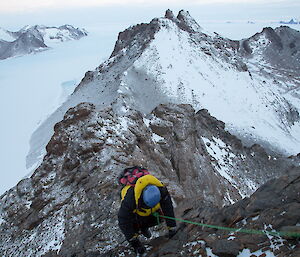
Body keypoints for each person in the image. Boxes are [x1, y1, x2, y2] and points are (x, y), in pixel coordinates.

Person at [118, 168, 177, 255]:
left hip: (151, 211)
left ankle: (145, 225)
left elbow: (168, 207)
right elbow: (123, 220)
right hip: (138, 213)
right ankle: (141, 228)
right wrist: (135, 243)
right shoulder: (130, 199)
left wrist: (172, 227)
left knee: (160, 216)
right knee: (134, 224)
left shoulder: (161, 189)